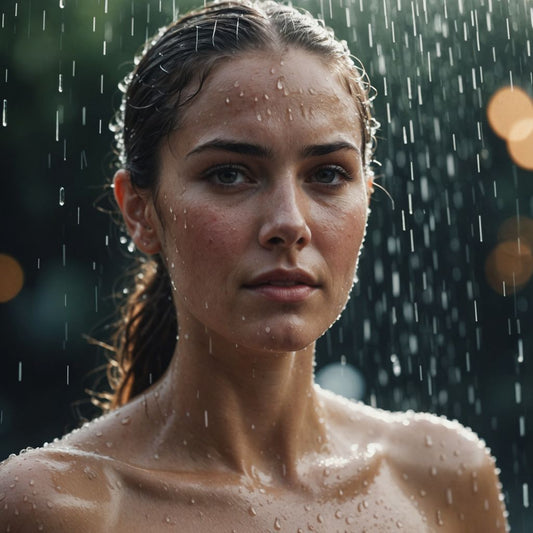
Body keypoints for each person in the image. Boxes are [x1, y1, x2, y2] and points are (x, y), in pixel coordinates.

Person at [0, 1, 508, 531]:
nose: (289, 223)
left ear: (367, 197)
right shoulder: (59, 508)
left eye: (328, 174)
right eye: (229, 175)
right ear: (141, 212)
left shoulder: (442, 478)